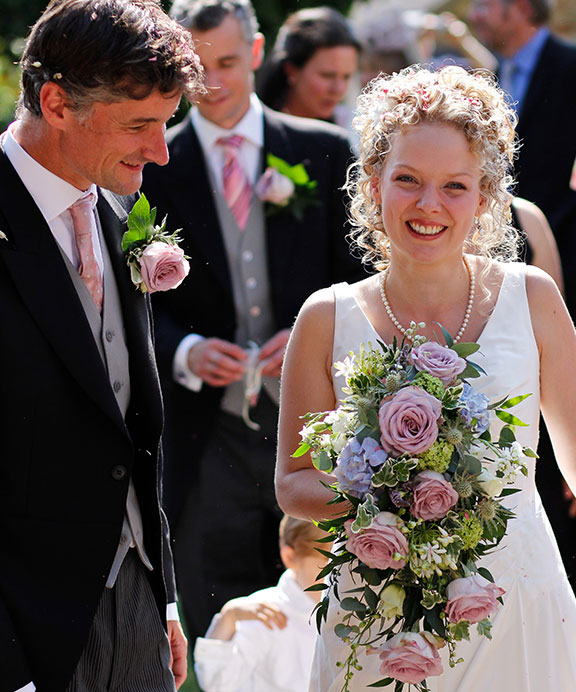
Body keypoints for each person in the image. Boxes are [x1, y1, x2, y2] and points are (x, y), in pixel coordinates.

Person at [276, 65, 576, 690]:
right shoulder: (325, 317)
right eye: (407, 179)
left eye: (455, 186)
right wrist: (392, 497)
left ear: (485, 197)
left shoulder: (533, 298)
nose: (429, 204)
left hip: (517, 602)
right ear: (373, 185)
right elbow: (293, 483)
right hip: (376, 611)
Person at [141, 0, 365, 646]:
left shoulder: (325, 151)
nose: (212, 82)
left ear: (259, 53)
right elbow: (132, 301)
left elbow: (363, 281)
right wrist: (183, 350)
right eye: (197, 65)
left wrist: (314, 334)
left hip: (315, 429)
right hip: (204, 434)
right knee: (221, 622)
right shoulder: (149, 164)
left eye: (229, 63)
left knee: (332, 613)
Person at [0, 1, 204, 690]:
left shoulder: (117, 213)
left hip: (137, 606)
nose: (161, 151)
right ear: (57, 103)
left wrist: (159, 596)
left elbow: (128, 426)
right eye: (139, 125)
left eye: (165, 123)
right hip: (24, 630)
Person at [467, 0, 576, 313]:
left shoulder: (571, 67)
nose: (474, 15)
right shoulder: (497, 74)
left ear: (524, 8)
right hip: (510, 256)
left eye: (484, 5)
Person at [194, 515, 329, 692]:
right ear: (290, 557)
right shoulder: (264, 613)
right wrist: (229, 616)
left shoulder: (353, 611)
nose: (337, 575)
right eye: (327, 564)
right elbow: (216, 684)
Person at [256, 6, 360, 127]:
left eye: (346, 77)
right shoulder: (254, 128)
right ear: (291, 70)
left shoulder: (354, 127)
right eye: (327, 76)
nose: (338, 89)